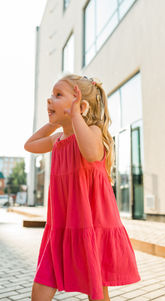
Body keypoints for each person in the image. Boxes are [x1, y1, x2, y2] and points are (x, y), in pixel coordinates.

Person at [24, 73, 141, 301]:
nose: (49, 99)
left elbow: (91, 153)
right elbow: (29, 145)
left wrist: (76, 116)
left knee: (97, 292)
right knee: (40, 289)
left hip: (91, 225)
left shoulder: (94, 133)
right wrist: (51, 123)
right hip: (61, 227)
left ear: (81, 105)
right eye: (51, 95)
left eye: (58, 95)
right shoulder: (56, 140)